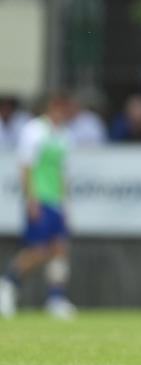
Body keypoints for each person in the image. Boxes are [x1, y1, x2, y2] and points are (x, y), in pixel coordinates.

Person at [0, 93, 77, 319]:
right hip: (40, 198)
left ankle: (56, 298)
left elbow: (63, 172)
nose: (64, 113)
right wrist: (30, 199)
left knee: (60, 248)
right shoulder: (34, 130)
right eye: (61, 108)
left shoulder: (64, 135)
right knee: (38, 250)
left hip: (56, 199)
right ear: (52, 107)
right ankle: (7, 285)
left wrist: (64, 203)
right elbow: (26, 166)